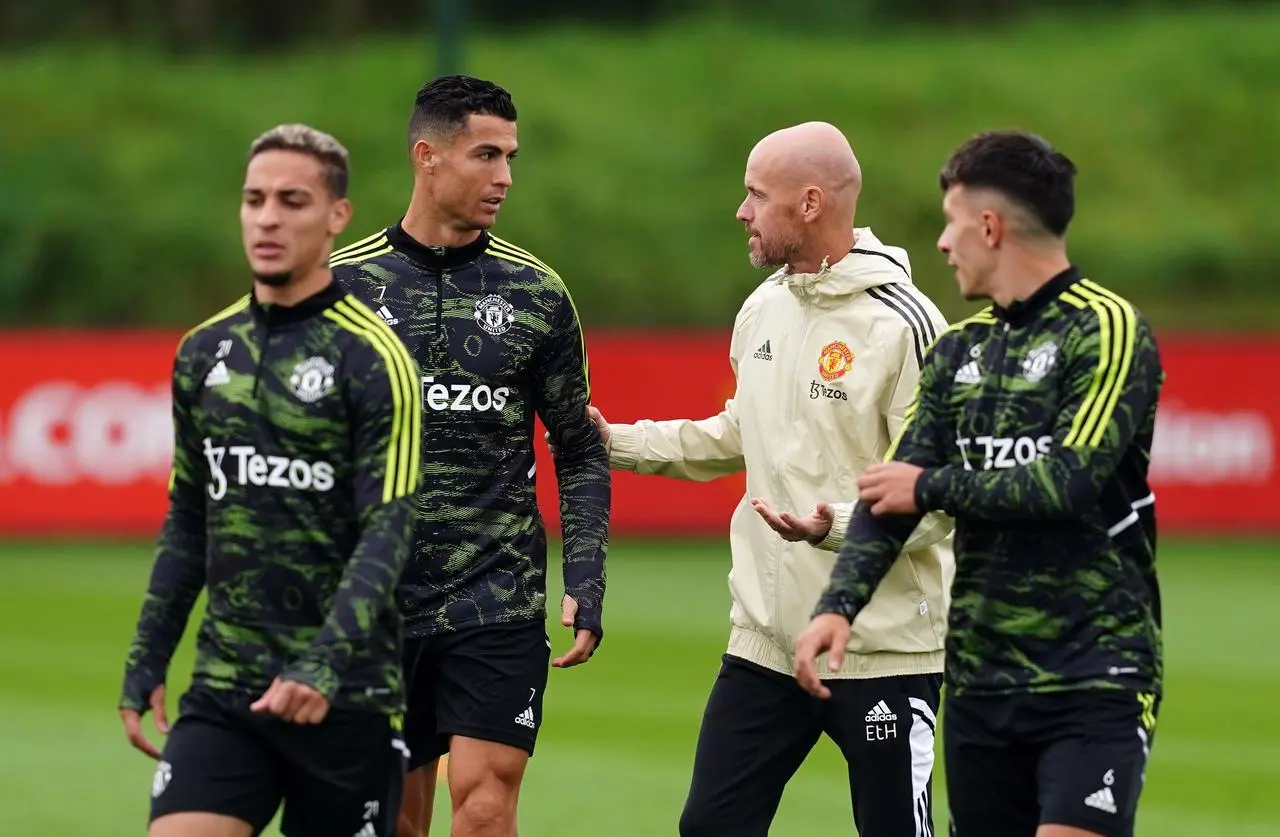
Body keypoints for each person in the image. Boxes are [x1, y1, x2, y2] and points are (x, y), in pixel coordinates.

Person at [585, 121, 954, 837]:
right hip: (765, 644)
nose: (741, 211)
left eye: (756, 194)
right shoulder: (765, 305)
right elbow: (736, 433)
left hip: (880, 650)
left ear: (810, 203)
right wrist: (613, 442)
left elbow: (939, 502)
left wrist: (836, 524)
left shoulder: (905, 325)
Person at [795, 130, 1165, 837]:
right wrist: (837, 604)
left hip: (1093, 674)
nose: (942, 242)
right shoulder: (959, 349)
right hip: (979, 684)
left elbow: (1069, 482)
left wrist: (931, 486)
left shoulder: (1107, 330)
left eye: (952, 221)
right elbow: (887, 494)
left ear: (989, 226)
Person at [118, 123, 423, 837]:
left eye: (292, 200)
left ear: (336, 217)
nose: (268, 217)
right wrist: (147, 657)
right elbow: (188, 520)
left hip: (345, 695)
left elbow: (389, 528)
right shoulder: (205, 351)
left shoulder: (374, 358)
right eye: (255, 199)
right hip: (226, 691)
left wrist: (321, 665)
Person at [328, 74, 610, 837]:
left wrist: (586, 572)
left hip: (497, 598)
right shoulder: (342, 288)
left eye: (511, 157)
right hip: (379, 603)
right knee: (398, 819)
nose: (505, 177)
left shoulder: (537, 293)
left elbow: (579, 445)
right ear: (428, 155)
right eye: (486, 155)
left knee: (485, 808)